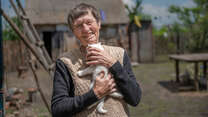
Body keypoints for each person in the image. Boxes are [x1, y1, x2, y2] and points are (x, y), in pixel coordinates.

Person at [51, 3, 142, 117]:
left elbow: (135, 98)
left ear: (99, 23)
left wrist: (112, 64)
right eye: (79, 25)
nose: (85, 29)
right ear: (73, 32)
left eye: (89, 23)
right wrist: (95, 94)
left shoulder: (119, 54)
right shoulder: (65, 62)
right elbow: (58, 109)